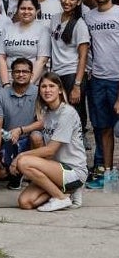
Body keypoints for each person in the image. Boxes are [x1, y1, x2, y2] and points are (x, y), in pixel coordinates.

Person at [12, 73, 86, 211]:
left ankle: (61, 197)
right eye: (43, 86)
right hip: (55, 170)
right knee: (25, 202)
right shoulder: (50, 112)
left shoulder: (67, 113)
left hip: (73, 171)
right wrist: (21, 129)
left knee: (24, 162)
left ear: (60, 90)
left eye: (51, 86)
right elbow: (41, 123)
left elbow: (50, 150)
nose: (47, 90)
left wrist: (19, 156)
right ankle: (67, 193)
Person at [49, 0, 90, 158]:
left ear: (78, 0)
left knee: (76, 118)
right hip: (57, 75)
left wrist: (77, 85)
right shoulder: (55, 18)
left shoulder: (80, 24)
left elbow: (83, 56)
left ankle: (78, 160)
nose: (67, 1)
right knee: (59, 117)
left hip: (72, 75)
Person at [0, 57, 43, 188]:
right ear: (11, 74)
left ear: (31, 74)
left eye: (25, 72)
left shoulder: (38, 92)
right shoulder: (1, 94)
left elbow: (42, 122)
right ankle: (17, 172)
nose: (21, 74)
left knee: (37, 136)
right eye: (17, 71)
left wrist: (21, 129)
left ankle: (32, 172)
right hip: (9, 142)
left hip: (30, 141)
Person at [85, 0, 119, 184]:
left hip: (117, 78)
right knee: (103, 128)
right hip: (98, 79)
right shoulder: (89, 17)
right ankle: (108, 174)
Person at [0, 0, 51, 88]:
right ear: (17, 10)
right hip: (7, 83)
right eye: (23, 8)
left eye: (30, 9)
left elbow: (41, 60)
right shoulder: (8, 28)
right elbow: (0, 57)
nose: (26, 12)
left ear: (36, 10)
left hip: (32, 84)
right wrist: (6, 84)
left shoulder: (43, 30)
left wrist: (28, 85)